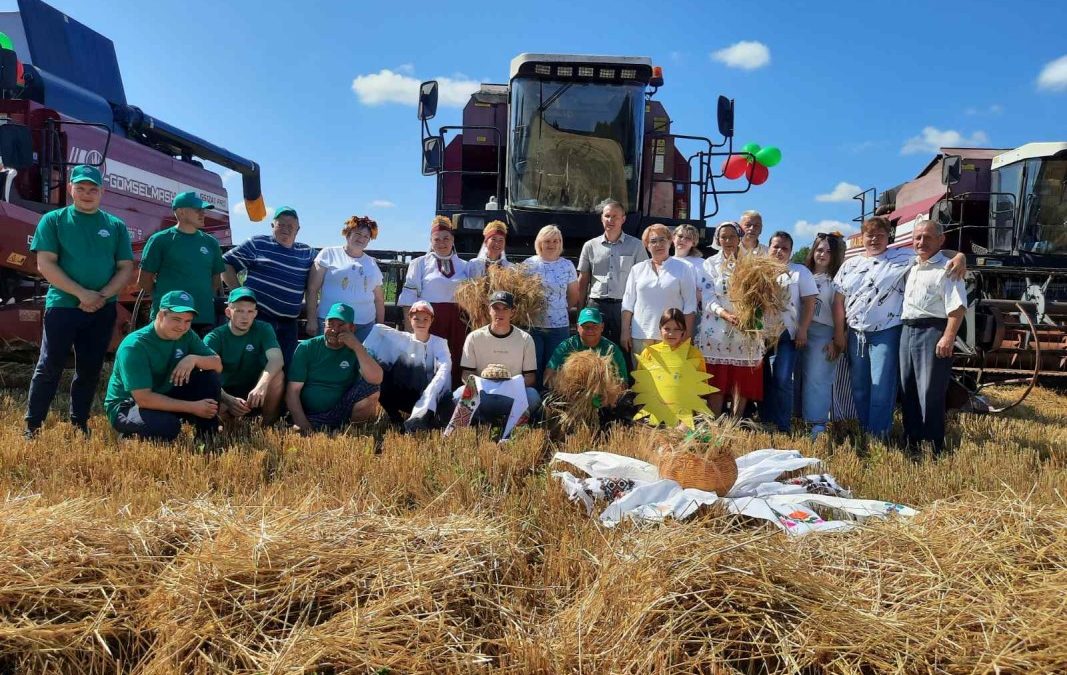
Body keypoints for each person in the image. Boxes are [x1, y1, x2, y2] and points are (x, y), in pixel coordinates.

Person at [25, 164, 135, 439]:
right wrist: (81, 294)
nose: (87, 194)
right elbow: (45, 264)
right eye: (81, 188)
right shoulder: (53, 221)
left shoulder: (115, 226)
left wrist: (102, 296)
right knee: (49, 365)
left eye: (93, 189)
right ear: (71, 189)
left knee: (90, 368)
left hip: (102, 308)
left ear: (102, 192)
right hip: (63, 305)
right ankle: (32, 426)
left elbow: (124, 267)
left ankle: (79, 423)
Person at [832, 216, 966, 438]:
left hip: (887, 332)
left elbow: (935, 254)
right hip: (856, 333)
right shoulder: (850, 264)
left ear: (889, 238)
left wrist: (961, 256)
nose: (874, 239)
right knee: (860, 387)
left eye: (880, 235)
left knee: (882, 387)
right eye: (869, 235)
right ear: (862, 238)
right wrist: (840, 332)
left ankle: (879, 434)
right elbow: (838, 301)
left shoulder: (902, 256)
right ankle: (866, 430)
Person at [104, 290, 223, 441]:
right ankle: (131, 435)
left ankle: (207, 436)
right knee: (167, 427)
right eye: (176, 319)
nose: (182, 326)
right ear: (160, 315)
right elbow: (144, 399)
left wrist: (193, 359)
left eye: (188, 321)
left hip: (165, 392)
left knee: (208, 377)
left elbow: (217, 364)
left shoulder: (187, 335)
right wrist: (193, 407)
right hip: (129, 405)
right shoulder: (134, 346)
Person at [899, 220, 966, 454]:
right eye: (917, 237)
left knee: (930, 391)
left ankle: (933, 445)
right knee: (908, 389)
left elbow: (957, 309)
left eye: (927, 237)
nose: (921, 242)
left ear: (941, 239)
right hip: (906, 330)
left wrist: (948, 337)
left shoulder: (949, 269)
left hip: (933, 331)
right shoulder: (910, 265)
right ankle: (911, 440)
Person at [222, 206, 315, 367]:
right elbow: (225, 263)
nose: (285, 229)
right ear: (272, 226)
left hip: (289, 323)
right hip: (259, 318)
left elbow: (324, 272)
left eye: (290, 226)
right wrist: (240, 295)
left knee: (287, 366)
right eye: (281, 225)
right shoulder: (258, 243)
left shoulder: (307, 252)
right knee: (254, 365)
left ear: (298, 229)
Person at [695, 222, 765, 417]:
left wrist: (747, 315)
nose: (727, 241)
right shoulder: (709, 264)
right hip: (717, 328)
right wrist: (725, 314)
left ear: (739, 238)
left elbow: (758, 293)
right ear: (717, 239)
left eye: (732, 237)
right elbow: (708, 296)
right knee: (717, 377)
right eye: (723, 237)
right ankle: (714, 421)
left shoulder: (751, 262)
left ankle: (735, 422)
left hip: (744, 328)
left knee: (740, 377)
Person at [286, 302, 383, 434]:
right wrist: (303, 424)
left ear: (352, 328)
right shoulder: (307, 347)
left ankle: (350, 432)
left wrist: (357, 347)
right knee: (299, 430)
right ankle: (320, 428)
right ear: (324, 325)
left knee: (372, 389)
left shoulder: (359, 349)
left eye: (341, 325)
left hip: (343, 410)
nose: (334, 330)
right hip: (311, 414)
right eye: (330, 325)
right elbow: (293, 391)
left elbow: (376, 379)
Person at [138, 191, 225, 335]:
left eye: (204, 210)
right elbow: (144, 281)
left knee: (200, 358)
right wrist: (164, 296)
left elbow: (215, 282)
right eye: (198, 210)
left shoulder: (211, 243)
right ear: (181, 212)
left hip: (202, 317)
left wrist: (199, 297)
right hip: (168, 318)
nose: (203, 213)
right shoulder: (160, 240)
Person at [398, 215, 469, 387]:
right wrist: (411, 331)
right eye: (437, 239)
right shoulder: (419, 264)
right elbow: (409, 299)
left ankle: (452, 399)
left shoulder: (465, 265)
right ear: (431, 241)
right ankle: (427, 399)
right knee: (429, 358)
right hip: (429, 320)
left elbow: (472, 298)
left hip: (457, 322)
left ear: (452, 240)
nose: (442, 243)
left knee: (455, 357)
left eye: (446, 238)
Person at [362, 301, 453, 432]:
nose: (421, 322)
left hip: (433, 397)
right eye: (416, 318)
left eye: (425, 319)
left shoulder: (440, 343)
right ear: (410, 319)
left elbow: (444, 369)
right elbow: (378, 329)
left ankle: (427, 419)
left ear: (432, 320)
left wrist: (427, 399)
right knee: (380, 378)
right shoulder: (402, 338)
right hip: (408, 395)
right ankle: (396, 419)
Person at [204, 288, 284, 425]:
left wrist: (261, 386)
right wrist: (228, 399)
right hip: (226, 392)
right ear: (228, 312)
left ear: (255, 314)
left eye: (250, 311)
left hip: (255, 390)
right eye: (239, 311)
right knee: (220, 416)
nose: (245, 317)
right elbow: (205, 374)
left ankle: (268, 424)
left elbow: (277, 359)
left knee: (278, 376)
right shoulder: (214, 337)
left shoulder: (264, 329)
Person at [763, 231, 817, 433]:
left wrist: (803, 329)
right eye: (775, 246)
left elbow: (809, 302)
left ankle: (783, 425)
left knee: (783, 378)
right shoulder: (759, 271)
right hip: (761, 333)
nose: (779, 251)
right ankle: (766, 420)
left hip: (787, 333)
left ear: (791, 252)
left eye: (784, 248)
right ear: (768, 248)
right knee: (764, 380)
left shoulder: (799, 272)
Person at [577, 198, 649, 347]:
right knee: (593, 349)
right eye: (607, 216)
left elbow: (644, 281)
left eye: (615, 216)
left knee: (624, 349)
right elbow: (583, 281)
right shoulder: (590, 246)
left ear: (623, 219)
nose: (611, 220)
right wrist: (580, 311)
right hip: (596, 306)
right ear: (602, 218)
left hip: (623, 308)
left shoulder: (636, 246)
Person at [622, 223, 698, 363]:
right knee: (642, 382)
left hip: (672, 336)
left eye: (662, 239)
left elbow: (690, 305)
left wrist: (687, 336)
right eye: (653, 241)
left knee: (668, 382)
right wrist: (625, 331)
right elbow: (628, 304)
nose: (658, 244)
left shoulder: (683, 268)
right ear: (647, 245)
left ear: (670, 242)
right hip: (640, 336)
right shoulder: (637, 269)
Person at [460, 291, 540, 417]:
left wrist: (509, 387)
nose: (500, 313)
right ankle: (480, 422)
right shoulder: (474, 337)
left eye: (505, 308)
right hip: (483, 392)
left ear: (512, 312)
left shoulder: (525, 339)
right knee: (457, 395)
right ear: (489, 310)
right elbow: (466, 374)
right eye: (496, 308)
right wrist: (482, 386)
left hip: (512, 392)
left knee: (533, 396)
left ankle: (512, 422)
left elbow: (530, 377)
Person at [306, 215, 384, 341]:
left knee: (361, 360)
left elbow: (379, 300)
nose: (361, 239)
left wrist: (380, 327)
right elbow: (312, 289)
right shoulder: (328, 253)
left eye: (366, 236)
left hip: (364, 326)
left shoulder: (372, 263)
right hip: (332, 324)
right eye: (358, 234)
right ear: (348, 234)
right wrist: (311, 319)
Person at [799, 232, 847, 438]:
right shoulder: (802, 274)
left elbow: (843, 311)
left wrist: (837, 337)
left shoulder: (838, 280)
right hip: (800, 332)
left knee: (818, 379)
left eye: (828, 251)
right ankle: (798, 419)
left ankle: (817, 423)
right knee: (799, 378)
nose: (823, 254)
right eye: (819, 249)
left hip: (824, 332)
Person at [523, 225, 579, 389]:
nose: (552, 244)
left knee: (555, 368)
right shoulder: (529, 264)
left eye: (556, 241)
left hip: (558, 326)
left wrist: (560, 310)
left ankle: (550, 406)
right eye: (547, 241)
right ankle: (533, 405)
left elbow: (573, 295)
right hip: (534, 326)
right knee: (534, 368)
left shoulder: (567, 265)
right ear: (540, 243)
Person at [544, 307, 628, 389]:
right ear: (577, 327)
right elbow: (547, 378)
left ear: (602, 327)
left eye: (595, 326)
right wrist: (571, 385)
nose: (590, 330)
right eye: (586, 327)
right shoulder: (566, 346)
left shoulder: (612, 349)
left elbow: (623, 383)